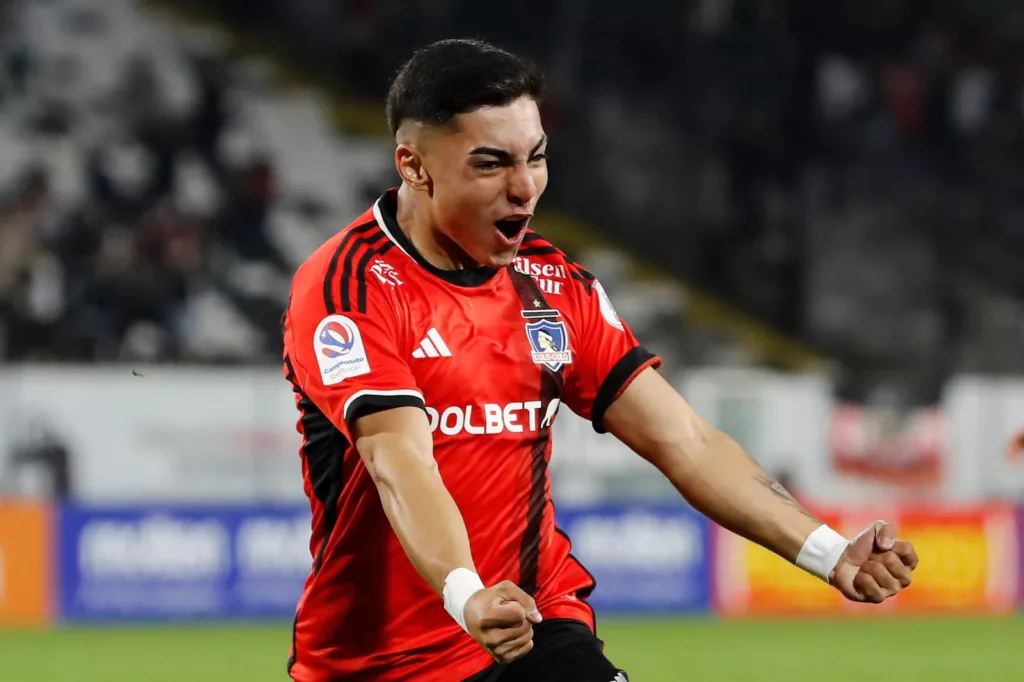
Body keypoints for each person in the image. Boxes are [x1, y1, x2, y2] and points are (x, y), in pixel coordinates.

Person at [281, 38, 919, 682]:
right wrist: (466, 593)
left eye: (536, 158)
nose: (524, 187)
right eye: (490, 164)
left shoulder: (553, 286)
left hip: (538, 625)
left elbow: (687, 442)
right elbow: (401, 462)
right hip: (380, 660)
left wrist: (831, 553)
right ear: (413, 167)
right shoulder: (347, 289)